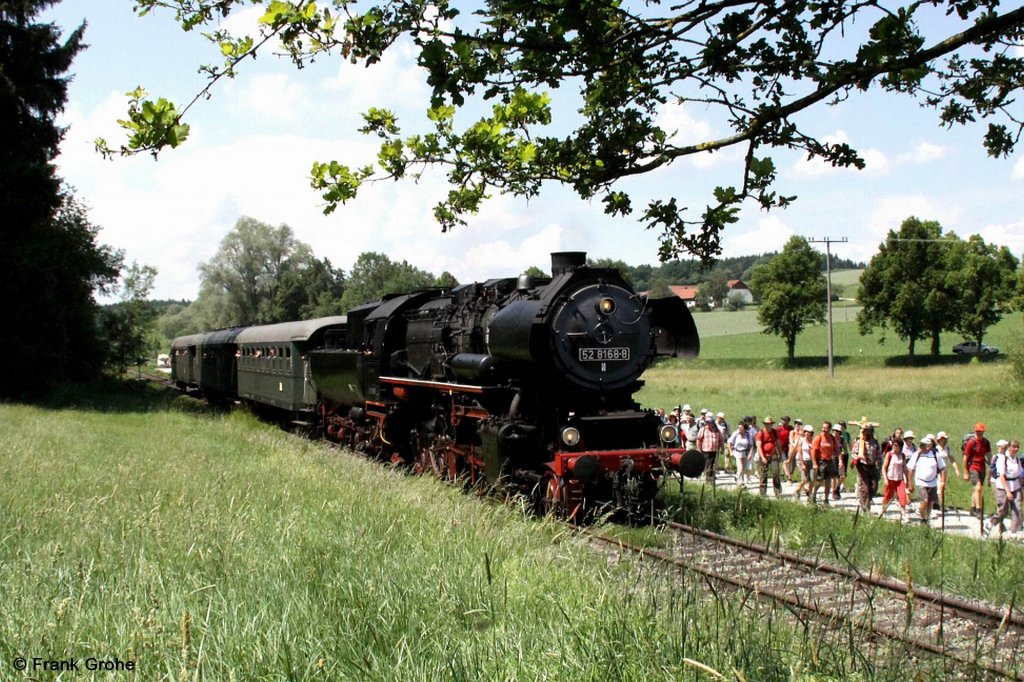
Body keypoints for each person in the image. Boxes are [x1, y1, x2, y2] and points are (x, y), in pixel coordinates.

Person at [985, 439, 1022, 536]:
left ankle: (1015, 533)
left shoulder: (1016, 459)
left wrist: (1021, 488)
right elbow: (1001, 476)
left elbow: (1018, 475)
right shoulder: (1003, 458)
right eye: (1014, 446)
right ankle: (991, 524)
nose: (1016, 449)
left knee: (1017, 509)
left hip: (1016, 485)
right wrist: (1008, 491)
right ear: (1009, 447)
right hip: (1003, 486)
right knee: (1003, 511)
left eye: (1017, 447)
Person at [907, 434, 946, 525]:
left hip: (933, 482)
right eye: (923, 445)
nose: (924, 447)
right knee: (924, 500)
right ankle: (922, 518)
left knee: (930, 502)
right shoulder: (916, 455)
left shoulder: (936, 455)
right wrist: (910, 483)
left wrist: (942, 481)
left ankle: (926, 518)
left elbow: (942, 468)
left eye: (926, 445)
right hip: (921, 482)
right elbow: (910, 469)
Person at [962, 422, 992, 520]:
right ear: (975, 431)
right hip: (973, 467)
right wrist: (965, 471)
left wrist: (992, 466)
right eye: (978, 431)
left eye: (981, 431)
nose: (979, 433)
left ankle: (972, 508)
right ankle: (979, 510)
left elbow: (988, 455)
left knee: (977, 489)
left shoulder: (986, 442)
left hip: (982, 467)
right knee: (978, 488)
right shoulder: (971, 442)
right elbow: (965, 457)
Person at [851, 423, 882, 512]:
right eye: (865, 431)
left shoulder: (875, 442)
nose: (866, 432)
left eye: (868, 430)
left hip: (872, 466)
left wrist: (879, 469)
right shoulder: (859, 442)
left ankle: (868, 500)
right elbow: (854, 453)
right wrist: (858, 457)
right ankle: (865, 506)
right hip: (862, 466)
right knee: (865, 487)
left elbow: (879, 456)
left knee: (874, 486)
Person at [878, 438, 910, 521]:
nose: (894, 446)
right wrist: (885, 479)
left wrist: (908, 480)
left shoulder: (902, 455)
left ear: (900, 446)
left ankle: (904, 513)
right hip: (891, 478)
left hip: (899, 479)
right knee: (888, 495)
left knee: (902, 495)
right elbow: (884, 467)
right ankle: (883, 509)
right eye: (893, 445)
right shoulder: (890, 454)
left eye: (896, 445)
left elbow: (905, 468)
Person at [810, 421, 837, 505]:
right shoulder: (819, 437)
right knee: (820, 481)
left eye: (825, 428)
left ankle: (826, 499)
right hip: (821, 461)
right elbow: (813, 450)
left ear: (829, 429)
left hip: (829, 461)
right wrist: (814, 463)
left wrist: (836, 456)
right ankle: (813, 494)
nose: (823, 429)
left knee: (828, 481)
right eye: (823, 427)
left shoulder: (832, 438)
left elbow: (835, 448)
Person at [755, 416, 783, 497]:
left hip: (773, 455)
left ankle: (777, 492)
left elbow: (778, 444)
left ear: (771, 424)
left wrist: (780, 455)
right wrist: (763, 457)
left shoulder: (774, 432)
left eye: (769, 424)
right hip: (764, 456)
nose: (767, 425)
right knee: (763, 475)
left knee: (776, 473)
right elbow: (759, 446)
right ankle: (763, 493)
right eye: (766, 424)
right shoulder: (761, 433)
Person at [697, 416, 724, 485]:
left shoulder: (717, 431)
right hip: (706, 450)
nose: (708, 424)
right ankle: (707, 478)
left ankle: (710, 477)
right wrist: (699, 449)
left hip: (714, 450)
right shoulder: (703, 430)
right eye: (707, 423)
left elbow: (721, 440)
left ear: (712, 423)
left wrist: (722, 447)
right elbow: (699, 440)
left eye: (709, 423)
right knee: (708, 464)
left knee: (713, 464)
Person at [727, 419, 754, 486]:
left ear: (744, 429)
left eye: (741, 428)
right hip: (737, 452)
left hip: (745, 453)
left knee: (744, 469)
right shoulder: (735, 434)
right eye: (738, 427)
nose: (739, 429)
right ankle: (740, 483)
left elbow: (751, 445)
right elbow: (729, 442)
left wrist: (750, 453)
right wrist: (731, 451)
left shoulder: (748, 435)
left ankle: (738, 477)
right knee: (740, 468)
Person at [793, 424, 815, 501]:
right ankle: (797, 490)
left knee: (812, 479)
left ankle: (810, 494)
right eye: (806, 432)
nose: (807, 433)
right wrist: (802, 464)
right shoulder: (801, 440)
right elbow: (799, 453)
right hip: (803, 460)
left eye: (809, 432)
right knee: (805, 479)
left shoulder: (813, 441)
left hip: (811, 461)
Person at [833, 421, 851, 500]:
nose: (836, 432)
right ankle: (834, 491)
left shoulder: (842, 439)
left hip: (840, 457)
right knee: (834, 476)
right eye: (835, 430)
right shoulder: (831, 438)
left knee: (842, 476)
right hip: (832, 458)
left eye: (837, 431)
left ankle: (837, 487)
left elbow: (845, 448)